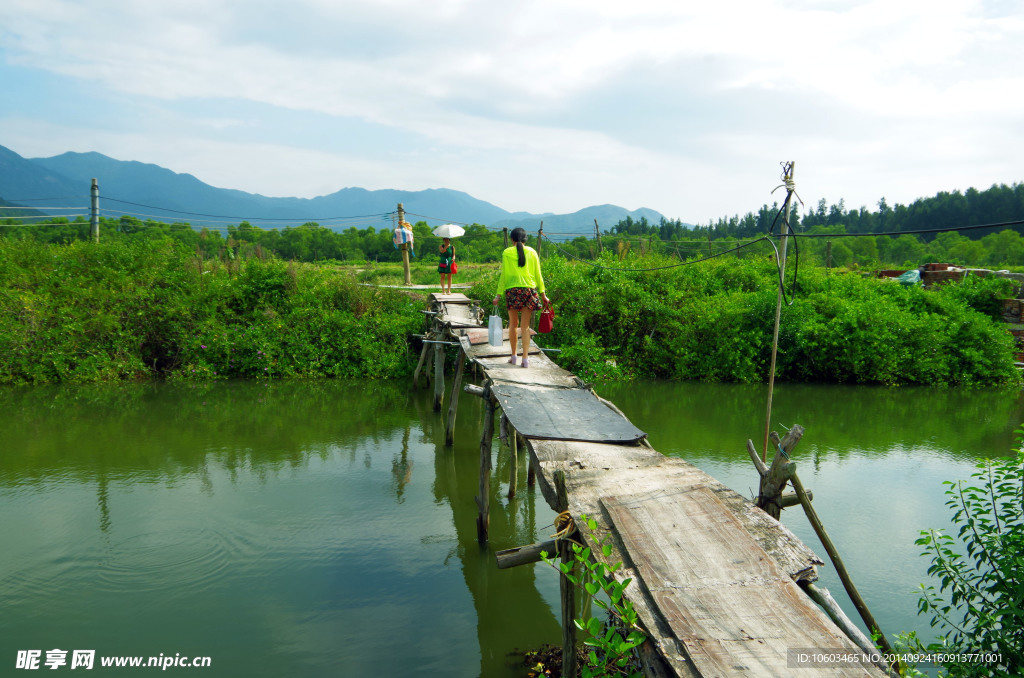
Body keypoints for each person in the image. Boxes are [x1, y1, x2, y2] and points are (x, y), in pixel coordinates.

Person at [492, 227, 548, 368]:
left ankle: (513, 356)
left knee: (513, 325)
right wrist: (543, 294)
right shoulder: (533, 252)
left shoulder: (507, 252)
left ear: (512, 239)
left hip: (512, 291)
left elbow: (503, 275)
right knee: (525, 327)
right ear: (525, 239)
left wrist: (498, 295)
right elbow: (538, 274)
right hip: (529, 291)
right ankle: (525, 360)